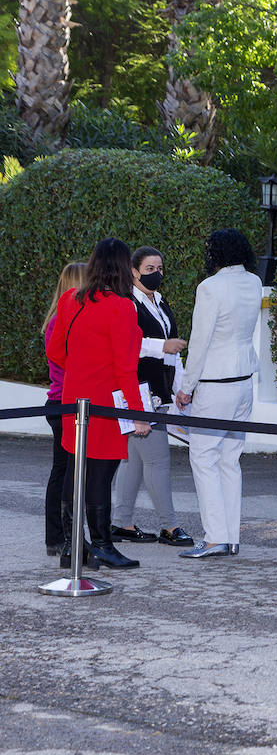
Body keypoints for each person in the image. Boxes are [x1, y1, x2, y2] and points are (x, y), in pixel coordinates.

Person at [45, 238, 150, 571]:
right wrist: (137, 414)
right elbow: (125, 369)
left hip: (74, 400)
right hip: (105, 403)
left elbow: (55, 352)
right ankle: (102, 545)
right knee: (100, 477)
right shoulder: (121, 306)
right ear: (123, 268)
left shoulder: (69, 299)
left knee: (77, 474)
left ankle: (75, 547)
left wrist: (82, 366)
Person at [177, 229, 262, 559]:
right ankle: (231, 536)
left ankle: (215, 537)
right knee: (229, 459)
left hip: (216, 384)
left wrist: (186, 387)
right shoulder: (253, 282)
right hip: (243, 383)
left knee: (203, 457)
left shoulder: (210, 287)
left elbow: (200, 341)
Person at [110, 246, 194, 548]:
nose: (156, 274)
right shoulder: (125, 302)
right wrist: (162, 346)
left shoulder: (160, 301)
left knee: (134, 460)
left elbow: (174, 354)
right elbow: (126, 343)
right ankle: (169, 526)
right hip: (136, 390)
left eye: (160, 268)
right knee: (157, 460)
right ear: (134, 271)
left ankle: (121, 522)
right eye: (149, 269)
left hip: (158, 389)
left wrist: (182, 388)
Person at [41, 261, 85, 557]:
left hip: (66, 403)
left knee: (66, 470)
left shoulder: (58, 319)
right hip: (65, 403)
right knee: (65, 471)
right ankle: (60, 536)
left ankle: (62, 536)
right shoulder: (63, 321)